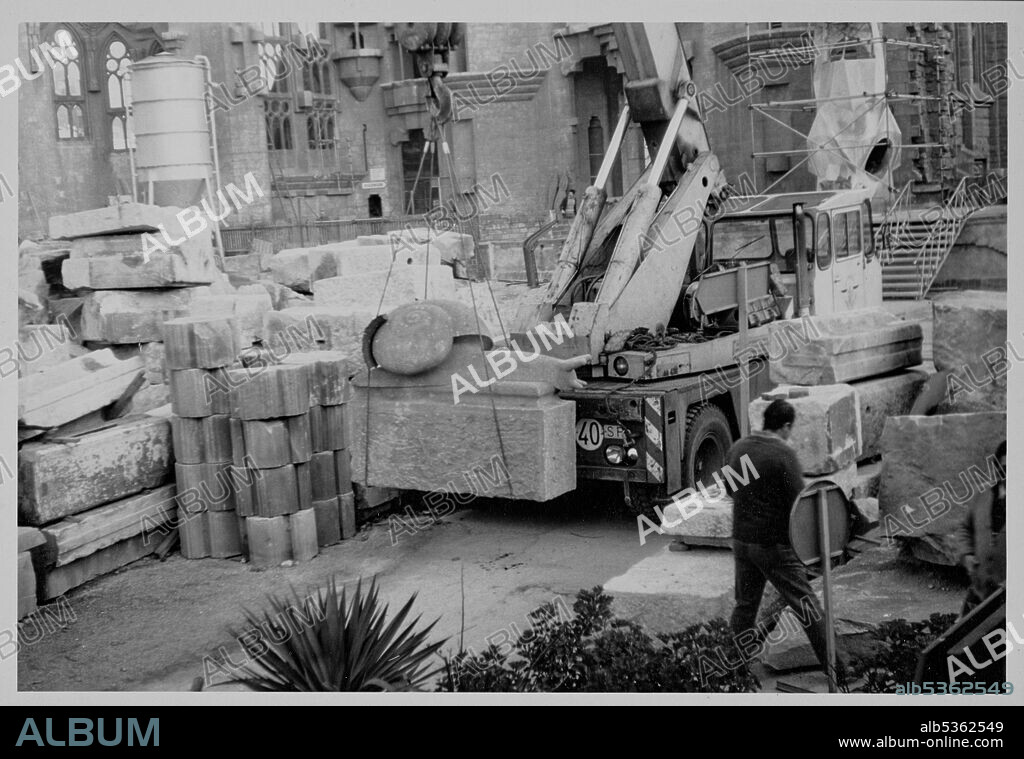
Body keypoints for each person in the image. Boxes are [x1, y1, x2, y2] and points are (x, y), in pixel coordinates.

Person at [726, 398, 844, 685]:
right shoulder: (783, 454)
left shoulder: (738, 447)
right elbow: (799, 504)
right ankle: (838, 669)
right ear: (787, 425)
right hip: (773, 545)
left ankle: (733, 668)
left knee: (745, 606)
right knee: (807, 606)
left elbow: (730, 489)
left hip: (742, 541)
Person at [955, 440, 1006, 617]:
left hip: (1010, 599)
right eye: (1003, 468)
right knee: (968, 639)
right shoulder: (982, 495)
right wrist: (967, 555)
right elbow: (964, 529)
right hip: (980, 590)